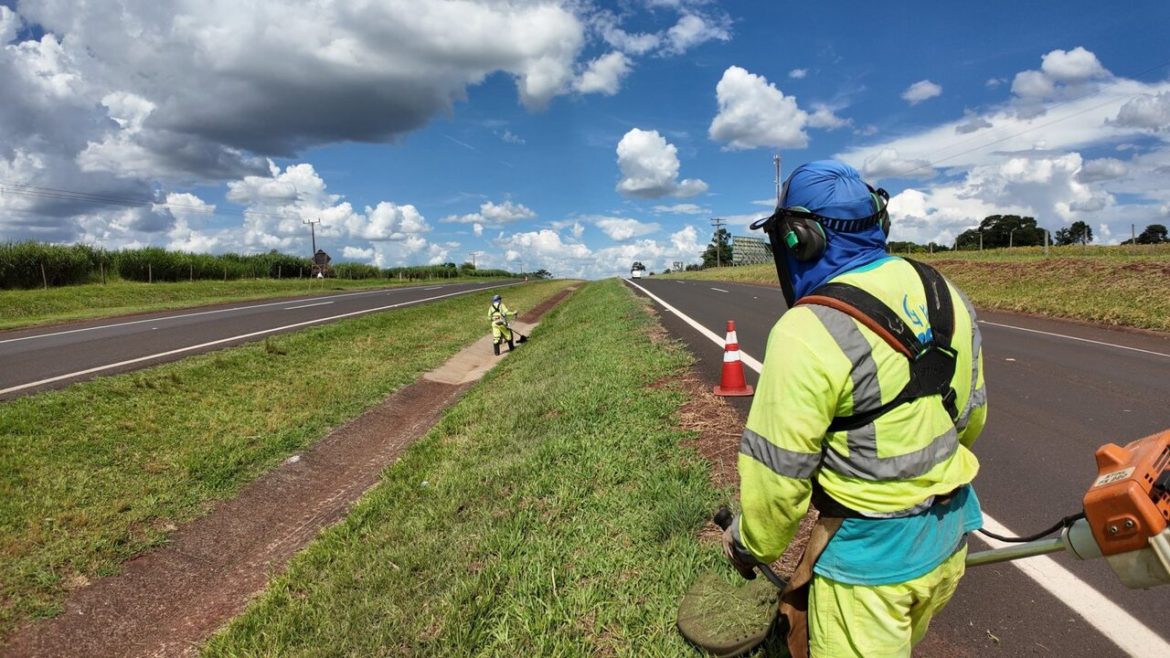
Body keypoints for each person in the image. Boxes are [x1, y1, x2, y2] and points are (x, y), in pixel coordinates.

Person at [721, 160, 988, 658]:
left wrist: (748, 543)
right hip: (949, 538)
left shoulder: (808, 328)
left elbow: (778, 475)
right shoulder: (943, 291)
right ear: (879, 224)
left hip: (869, 570)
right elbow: (971, 417)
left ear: (800, 239)